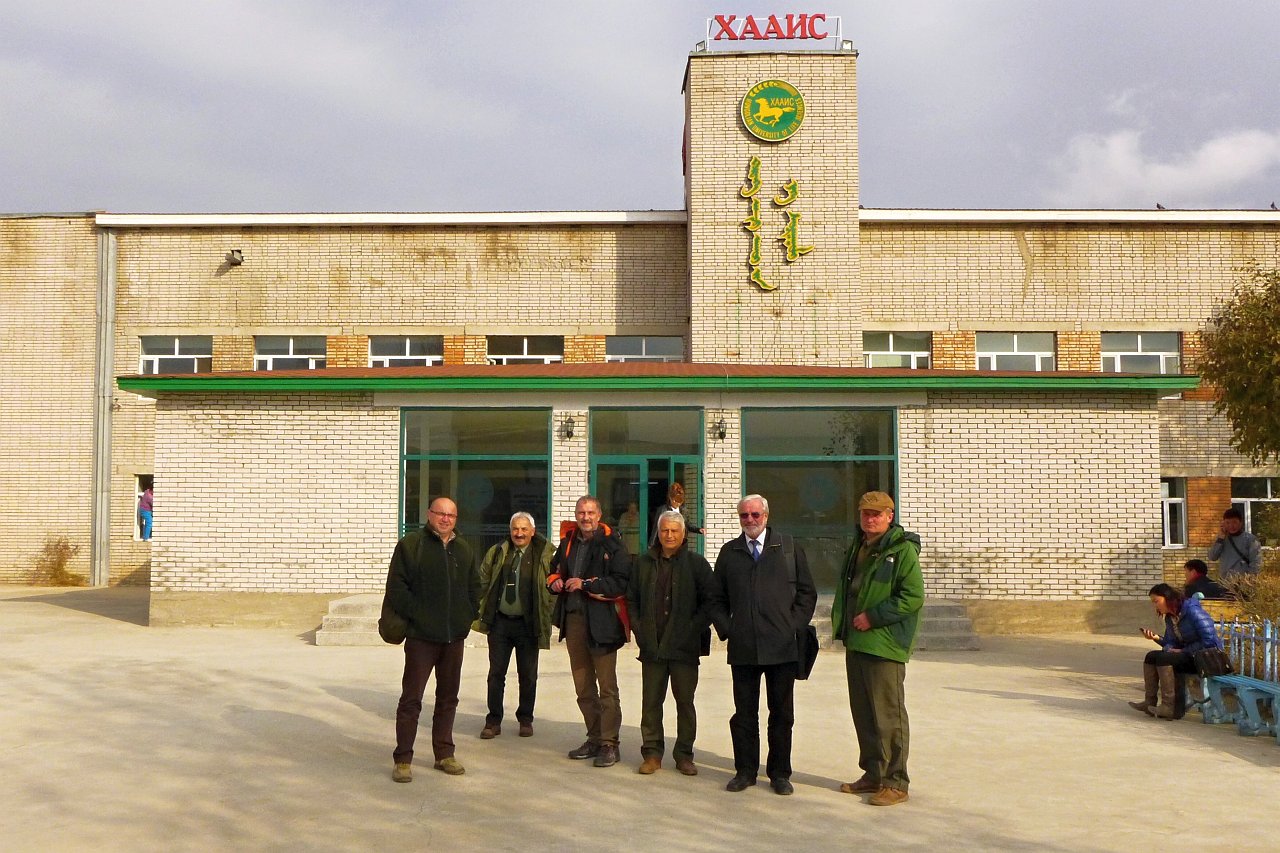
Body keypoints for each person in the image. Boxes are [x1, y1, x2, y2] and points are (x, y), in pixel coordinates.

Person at [710, 494, 817, 796]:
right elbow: (715, 598)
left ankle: (779, 773)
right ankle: (745, 771)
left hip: (782, 648)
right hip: (744, 648)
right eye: (744, 515)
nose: (750, 520)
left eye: (755, 515)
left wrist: (792, 626)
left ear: (766, 516)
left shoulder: (788, 548)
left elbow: (807, 593)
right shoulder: (730, 552)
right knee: (744, 715)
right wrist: (728, 628)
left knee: (781, 715)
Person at [832, 491, 924, 808]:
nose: (870, 519)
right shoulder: (861, 546)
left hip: (884, 644)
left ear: (889, 516)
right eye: (865, 513)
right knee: (864, 713)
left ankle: (896, 782)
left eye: (876, 514)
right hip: (858, 641)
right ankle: (873, 774)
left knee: (888, 716)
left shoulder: (902, 550)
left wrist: (873, 617)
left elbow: (912, 596)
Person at [385, 496, 480, 783]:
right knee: (411, 699)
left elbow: (475, 587)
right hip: (421, 638)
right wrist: (419, 616)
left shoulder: (464, 549)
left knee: (448, 698)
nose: (445, 519)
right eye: (440, 513)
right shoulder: (411, 545)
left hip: (453, 638)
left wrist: (466, 616)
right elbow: (397, 588)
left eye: (451, 515)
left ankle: (444, 754)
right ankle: (403, 759)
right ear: (429, 514)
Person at [627, 510, 716, 776]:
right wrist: (640, 630)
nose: (669, 535)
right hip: (652, 647)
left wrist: (691, 630)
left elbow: (710, 603)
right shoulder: (643, 563)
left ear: (683, 534)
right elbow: (631, 600)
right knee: (651, 703)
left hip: (684, 649)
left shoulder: (697, 564)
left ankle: (684, 755)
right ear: (658, 532)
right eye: (665, 530)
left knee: (685, 703)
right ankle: (652, 754)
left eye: (674, 531)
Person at [548, 495, 632, 768]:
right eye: (581, 513)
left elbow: (621, 583)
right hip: (574, 621)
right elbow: (553, 569)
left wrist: (585, 584)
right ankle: (594, 737)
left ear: (599, 515)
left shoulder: (613, 544)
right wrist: (555, 581)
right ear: (576, 515)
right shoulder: (568, 542)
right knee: (583, 687)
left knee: (607, 688)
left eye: (590, 512)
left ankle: (610, 743)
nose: (586, 517)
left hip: (603, 623)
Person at [473, 511, 554, 739]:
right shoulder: (498, 552)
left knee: (528, 675)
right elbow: (483, 581)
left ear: (533, 531)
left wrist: (547, 612)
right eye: (515, 529)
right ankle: (493, 720)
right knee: (496, 674)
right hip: (500, 623)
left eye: (524, 529)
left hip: (528, 624)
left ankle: (525, 719)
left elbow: (553, 587)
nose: (519, 533)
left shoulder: (545, 555)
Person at [1128, 582, 1224, 720]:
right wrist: (1156, 638)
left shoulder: (1192, 611)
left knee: (1164, 659)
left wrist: (1183, 650)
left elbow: (1209, 640)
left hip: (1207, 658)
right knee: (1151, 656)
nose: (1155, 606)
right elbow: (1171, 643)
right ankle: (1150, 702)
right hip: (1188, 656)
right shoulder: (1170, 617)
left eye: (1156, 601)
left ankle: (1169, 706)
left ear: (1167, 598)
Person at [1207, 508, 1261, 582]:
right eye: (1228, 522)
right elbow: (1212, 557)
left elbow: (1255, 563)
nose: (1231, 526)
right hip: (1225, 582)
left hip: (1243, 582)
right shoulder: (1221, 539)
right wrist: (1220, 538)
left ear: (1241, 522)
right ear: (1223, 523)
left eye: (1234, 522)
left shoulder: (1250, 539)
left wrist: (1250, 580)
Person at [650, 482, 703, 547]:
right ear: (670, 498)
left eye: (679, 501)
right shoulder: (663, 510)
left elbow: (687, 524)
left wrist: (698, 530)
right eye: (675, 500)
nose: (677, 503)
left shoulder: (683, 510)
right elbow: (656, 528)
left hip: (681, 542)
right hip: (667, 542)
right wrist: (652, 545)